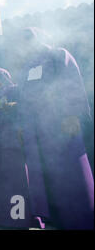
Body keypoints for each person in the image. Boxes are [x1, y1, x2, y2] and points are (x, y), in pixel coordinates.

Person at [15, 27, 94, 230]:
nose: (25, 43)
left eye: (28, 38)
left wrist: (72, 114)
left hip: (59, 126)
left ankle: (82, 219)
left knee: (69, 172)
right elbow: (22, 99)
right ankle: (52, 219)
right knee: (43, 174)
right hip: (35, 131)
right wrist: (22, 126)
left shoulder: (58, 55)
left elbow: (71, 82)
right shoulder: (26, 68)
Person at [0, 68, 45, 228]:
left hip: (12, 136)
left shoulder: (15, 89)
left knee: (15, 177)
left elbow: (29, 105)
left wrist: (16, 108)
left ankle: (18, 216)